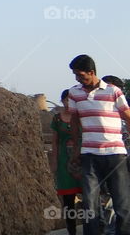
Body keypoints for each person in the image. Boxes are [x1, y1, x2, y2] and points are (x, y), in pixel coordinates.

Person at [68, 54, 130, 235]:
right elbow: (74, 121)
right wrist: (76, 149)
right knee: (90, 204)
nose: (77, 79)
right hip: (89, 154)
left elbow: (128, 116)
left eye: (80, 75)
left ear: (91, 72)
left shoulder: (113, 91)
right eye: (75, 75)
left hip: (115, 154)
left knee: (121, 203)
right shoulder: (74, 93)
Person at [53, 88, 84, 235]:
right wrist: (54, 162)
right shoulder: (57, 119)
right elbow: (55, 142)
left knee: (89, 196)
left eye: (71, 100)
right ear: (62, 101)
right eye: (66, 100)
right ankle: (72, 231)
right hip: (64, 163)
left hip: (82, 160)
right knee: (68, 200)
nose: (69, 103)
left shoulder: (82, 116)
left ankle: (92, 227)